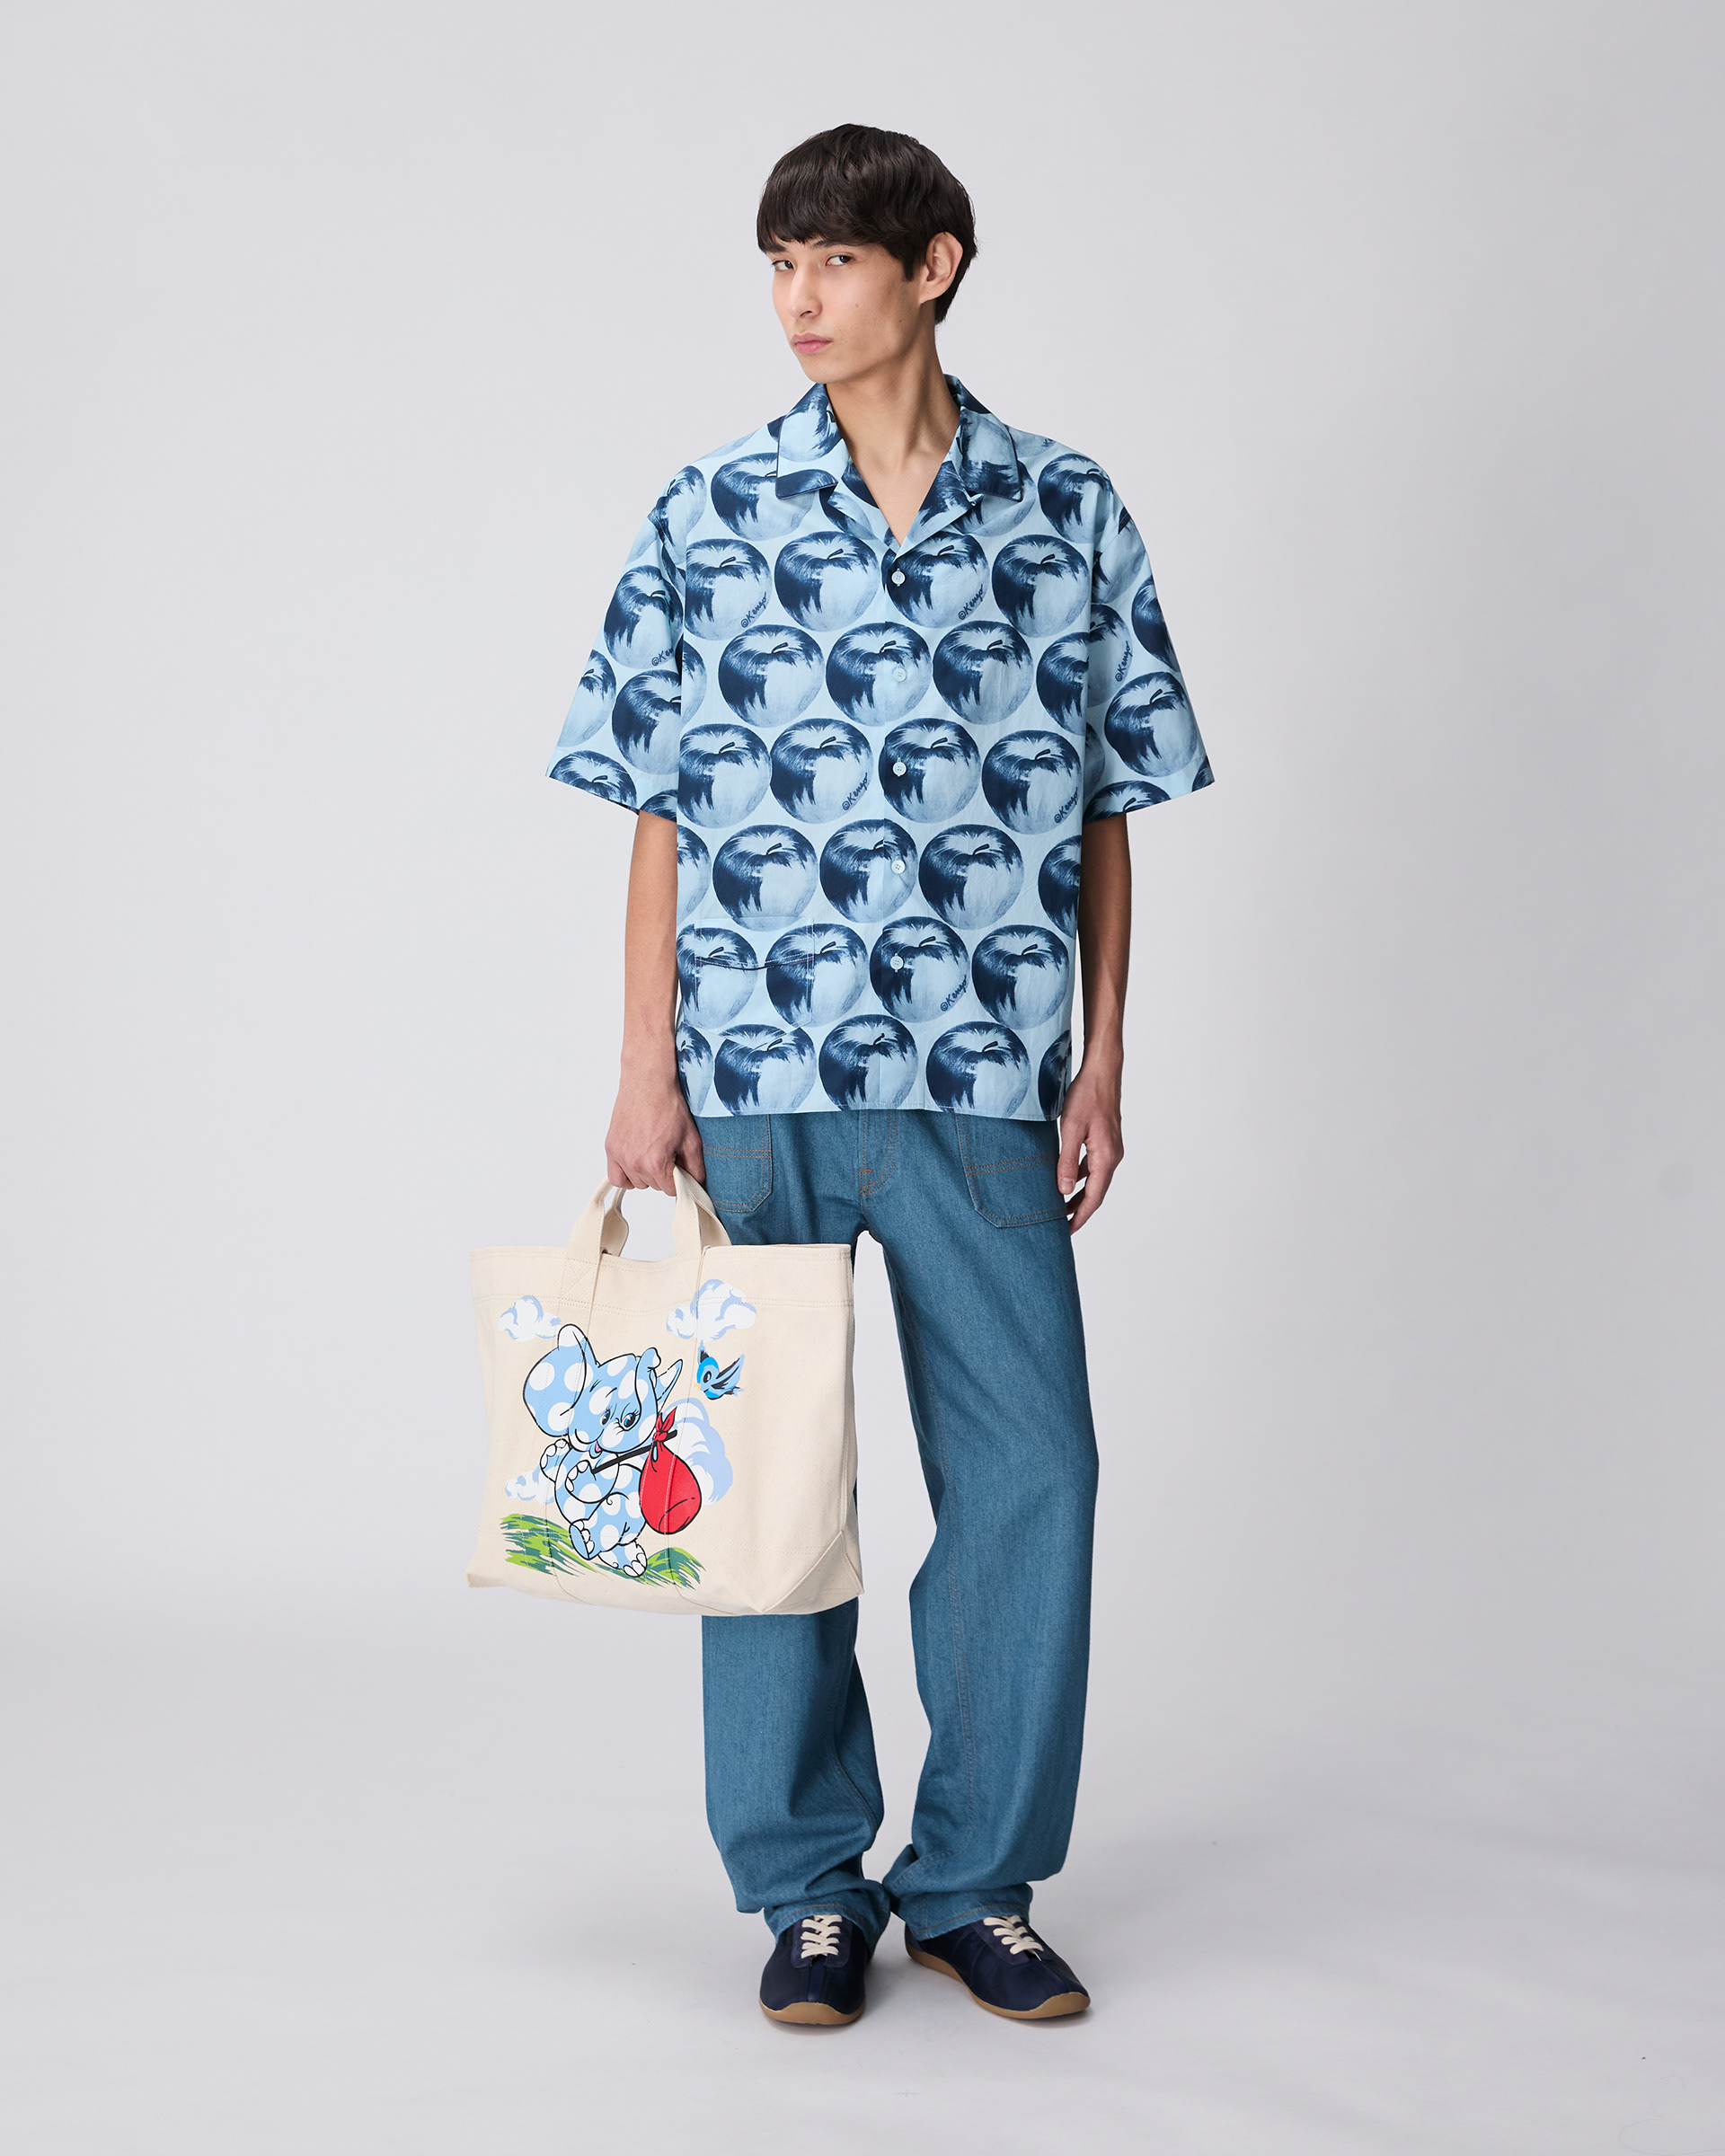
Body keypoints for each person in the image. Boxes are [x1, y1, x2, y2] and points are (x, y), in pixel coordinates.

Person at [545, 123, 1212, 2025]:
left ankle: (976, 1881)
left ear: (932, 266)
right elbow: (659, 808)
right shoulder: (712, 508)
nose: (799, 300)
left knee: (1034, 1474)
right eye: (778, 264)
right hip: (754, 1071)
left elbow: (1103, 807)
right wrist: (642, 1070)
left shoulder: (1065, 509)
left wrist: (1102, 1060)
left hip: (986, 1076)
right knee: (767, 1486)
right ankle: (806, 1889)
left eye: (833, 261)